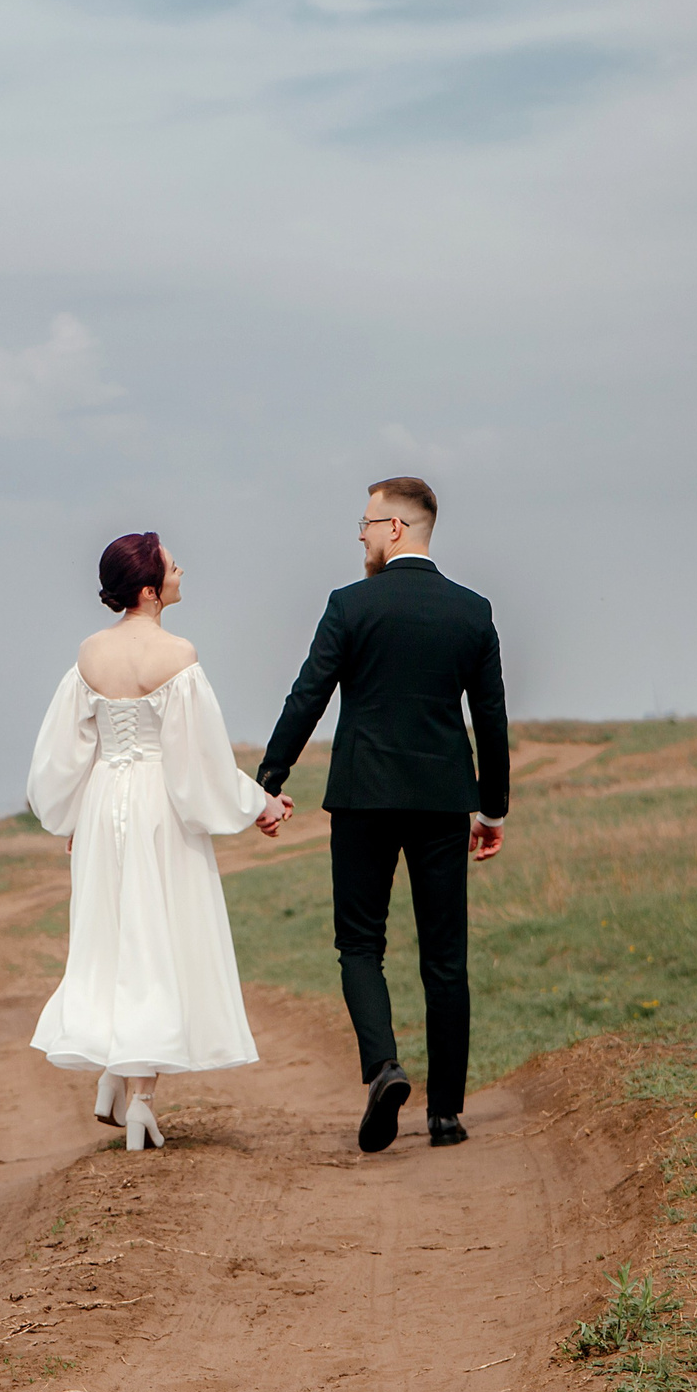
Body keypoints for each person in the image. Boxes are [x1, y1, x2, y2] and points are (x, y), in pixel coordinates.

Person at [256, 477, 509, 1153]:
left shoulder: (350, 604)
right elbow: (490, 718)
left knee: (361, 945)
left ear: (395, 528)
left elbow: (307, 695)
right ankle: (446, 1115)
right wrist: (492, 808)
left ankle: (384, 1067)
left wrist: (269, 780)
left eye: (366, 524)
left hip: (362, 797)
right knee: (445, 957)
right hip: (442, 802)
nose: (361, 536)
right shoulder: (472, 611)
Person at [26, 532, 292, 1150]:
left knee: (111, 937)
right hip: (157, 808)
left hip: (103, 803)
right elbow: (199, 764)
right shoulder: (178, 655)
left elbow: (64, 754)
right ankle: (140, 1100)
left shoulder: (90, 653)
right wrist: (260, 802)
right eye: (173, 566)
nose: (181, 571)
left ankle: (113, 1074)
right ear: (150, 589)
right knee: (155, 942)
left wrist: (75, 817)